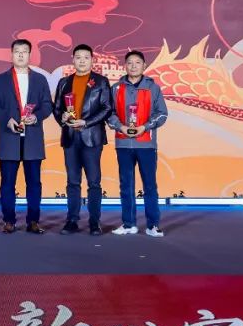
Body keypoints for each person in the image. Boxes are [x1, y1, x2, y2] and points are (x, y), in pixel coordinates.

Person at [0, 38, 54, 234]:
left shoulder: (39, 79)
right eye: (17, 51)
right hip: (9, 137)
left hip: (32, 139)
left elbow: (47, 105)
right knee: (7, 183)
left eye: (24, 51)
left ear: (30, 55)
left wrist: (36, 117)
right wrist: (6, 119)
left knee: (34, 184)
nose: (20, 55)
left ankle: (33, 221)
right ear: (11, 54)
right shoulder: (1, 80)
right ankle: (9, 220)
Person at [106, 50, 168, 237]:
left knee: (150, 185)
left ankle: (152, 225)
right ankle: (128, 224)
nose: (133, 66)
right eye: (130, 63)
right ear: (125, 66)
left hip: (146, 144)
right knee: (126, 185)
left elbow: (162, 114)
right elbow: (109, 113)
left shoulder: (152, 88)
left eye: (137, 62)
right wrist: (121, 127)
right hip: (123, 144)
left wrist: (145, 127)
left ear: (144, 65)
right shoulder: (116, 88)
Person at [52, 44, 113, 235]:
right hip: (70, 137)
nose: (82, 61)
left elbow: (107, 108)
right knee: (72, 181)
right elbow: (57, 108)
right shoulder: (64, 82)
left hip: (91, 138)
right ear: (73, 59)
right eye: (78, 57)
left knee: (94, 182)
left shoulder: (101, 81)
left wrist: (86, 122)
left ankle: (94, 222)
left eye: (86, 57)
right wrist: (62, 118)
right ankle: (72, 220)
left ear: (92, 60)